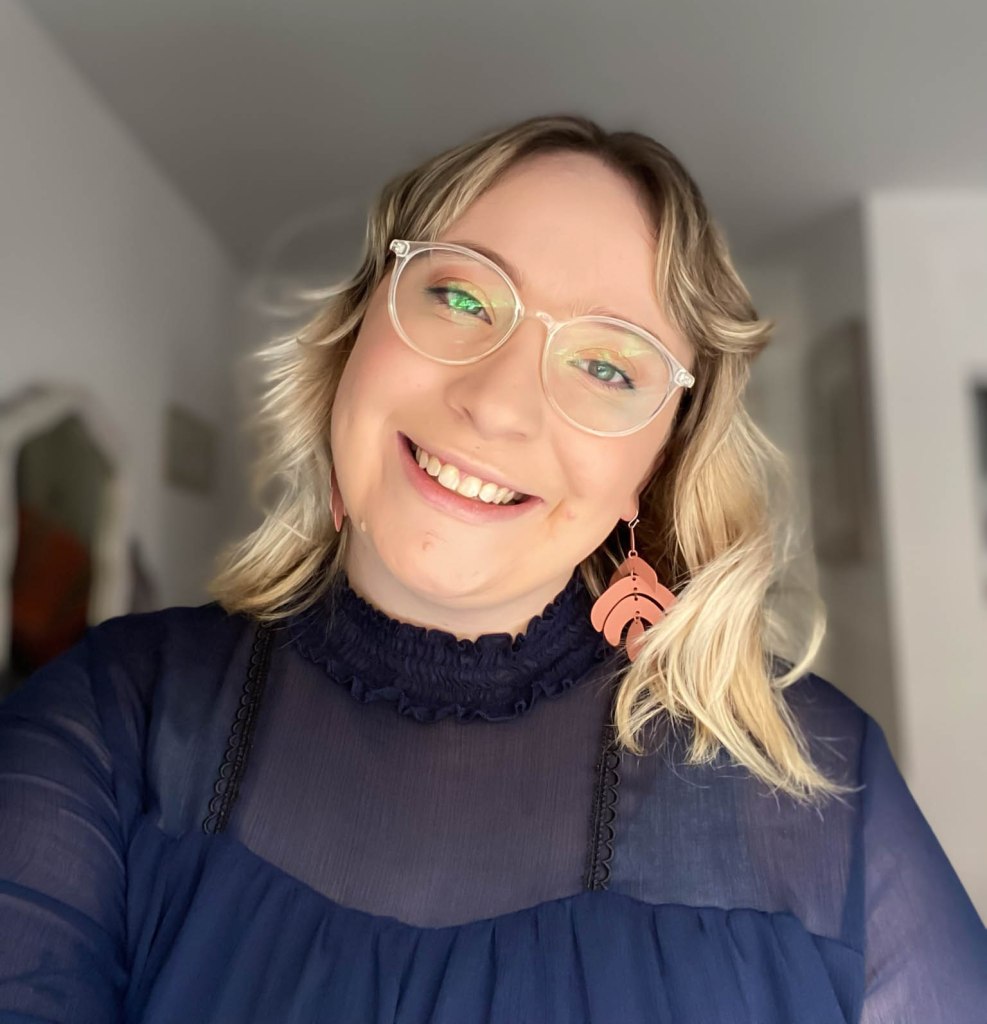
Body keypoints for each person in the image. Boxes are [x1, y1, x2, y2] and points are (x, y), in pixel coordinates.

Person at [1, 114, 984, 1024]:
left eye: (609, 365)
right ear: (357, 331)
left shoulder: (816, 797)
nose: (501, 401)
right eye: (462, 293)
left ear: (658, 464)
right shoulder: (111, 718)